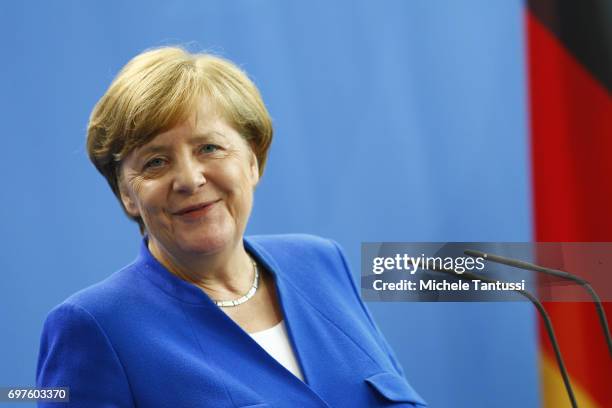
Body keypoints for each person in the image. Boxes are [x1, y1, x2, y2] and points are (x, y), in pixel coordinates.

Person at [36, 46, 426, 407]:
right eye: (155, 162)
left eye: (209, 148)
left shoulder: (322, 261)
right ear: (126, 193)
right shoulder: (94, 326)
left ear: (252, 161)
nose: (189, 179)